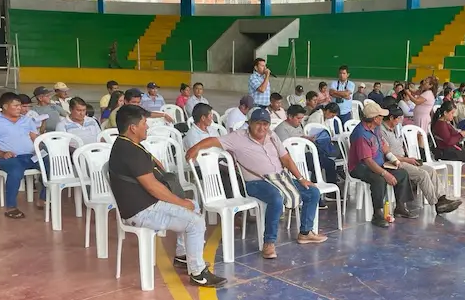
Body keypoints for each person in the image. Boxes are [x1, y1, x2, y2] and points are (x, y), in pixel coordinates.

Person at [187, 108, 327, 259]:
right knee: (276, 198)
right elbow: (214, 141)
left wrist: (301, 178)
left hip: (281, 178)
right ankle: (269, 242)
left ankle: (305, 233)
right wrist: (196, 147)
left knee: (312, 192)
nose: (262, 128)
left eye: (265, 124)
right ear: (250, 124)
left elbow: (286, 158)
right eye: (258, 124)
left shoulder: (272, 136)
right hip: (256, 182)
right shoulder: (238, 137)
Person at [108, 105, 224, 287]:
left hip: (145, 205)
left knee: (193, 204)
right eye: (144, 123)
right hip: (142, 211)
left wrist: (183, 203)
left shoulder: (127, 145)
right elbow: (153, 187)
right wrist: (180, 202)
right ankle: (198, 272)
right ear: (133, 128)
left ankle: (182, 255)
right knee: (195, 221)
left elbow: (153, 169)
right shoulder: (129, 151)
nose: (147, 126)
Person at [379, 104, 461, 214]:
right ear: (391, 118)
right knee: (422, 174)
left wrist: (409, 157)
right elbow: (388, 154)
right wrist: (407, 160)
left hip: (404, 159)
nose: (399, 121)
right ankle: (437, 203)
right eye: (398, 119)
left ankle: (442, 198)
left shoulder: (395, 128)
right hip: (393, 162)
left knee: (431, 171)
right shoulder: (381, 131)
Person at [347, 102, 418, 228]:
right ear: (375, 118)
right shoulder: (361, 134)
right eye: (381, 116)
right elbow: (368, 161)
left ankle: (400, 206)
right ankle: (378, 213)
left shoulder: (376, 128)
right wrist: (385, 174)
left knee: (401, 173)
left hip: (378, 163)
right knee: (379, 179)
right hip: (360, 167)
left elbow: (384, 146)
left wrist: (394, 160)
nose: (383, 118)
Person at [0, 92, 46, 219]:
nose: (20, 108)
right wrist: (2, 153)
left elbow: (35, 138)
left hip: (31, 155)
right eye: (16, 106)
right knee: (16, 171)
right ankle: (11, 206)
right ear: (5, 106)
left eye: (20, 106)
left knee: (51, 162)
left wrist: (44, 147)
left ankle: (43, 198)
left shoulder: (27, 120)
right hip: (10, 157)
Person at [275, 104, 339, 185]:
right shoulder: (281, 129)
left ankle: (321, 187)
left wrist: (307, 138)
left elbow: (298, 136)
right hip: (295, 158)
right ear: (290, 116)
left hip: (306, 153)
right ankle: (316, 187)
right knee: (321, 164)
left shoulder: (296, 125)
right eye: (298, 118)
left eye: (301, 118)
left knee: (327, 161)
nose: (300, 121)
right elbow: (285, 149)